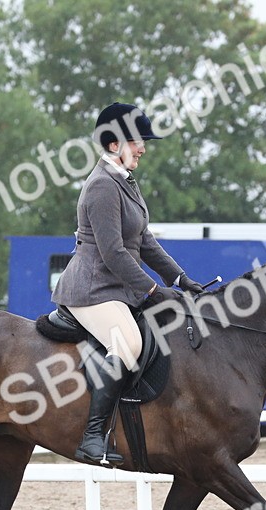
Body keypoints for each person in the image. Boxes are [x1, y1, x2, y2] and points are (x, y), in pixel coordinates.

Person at [52, 102, 205, 465]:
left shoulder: (124, 182)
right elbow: (114, 254)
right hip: (90, 290)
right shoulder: (102, 186)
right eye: (137, 140)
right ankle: (92, 438)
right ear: (113, 144)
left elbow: (144, 241)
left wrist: (180, 278)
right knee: (128, 342)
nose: (143, 148)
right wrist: (152, 290)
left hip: (113, 289)